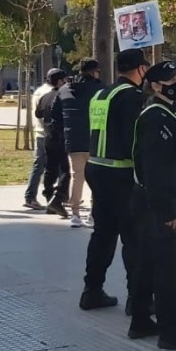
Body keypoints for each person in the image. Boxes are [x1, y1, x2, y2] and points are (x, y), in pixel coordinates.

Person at [127, 61, 176, 351]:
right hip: (156, 202)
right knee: (168, 267)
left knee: (147, 262)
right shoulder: (156, 117)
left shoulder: (166, 112)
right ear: (157, 85)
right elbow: (156, 169)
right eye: (172, 79)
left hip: (152, 200)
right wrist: (168, 211)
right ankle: (169, 329)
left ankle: (141, 319)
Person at [80, 48, 150, 312]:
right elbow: (135, 140)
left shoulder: (101, 94)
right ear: (140, 69)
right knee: (133, 239)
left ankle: (92, 290)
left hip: (96, 167)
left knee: (103, 234)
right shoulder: (132, 96)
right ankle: (137, 300)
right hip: (121, 174)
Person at [54, 58, 103, 227]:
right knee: (96, 179)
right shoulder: (100, 89)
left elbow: (54, 116)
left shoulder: (64, 90)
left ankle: (75, 213)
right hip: (95, 140)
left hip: (73, 140)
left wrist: (64, 134)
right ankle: (93, 213)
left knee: (77, 176)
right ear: (93, 71)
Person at [23, 70, 63, 211]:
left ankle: (60, 196)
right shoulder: (50, 93)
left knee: (48, 167)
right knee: (45, 166)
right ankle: (31, 197)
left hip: (40, 132)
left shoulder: (40, 90)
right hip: (46, 132)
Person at [35, 68, 71, 219]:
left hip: (48, 135)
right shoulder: (63, 95)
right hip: (61, 136)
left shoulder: (45, 97)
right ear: (60, 81)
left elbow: (38, 113)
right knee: (65, 169)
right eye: (65, 80)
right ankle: (58, 198)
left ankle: (49, 195)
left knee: (50, 168)